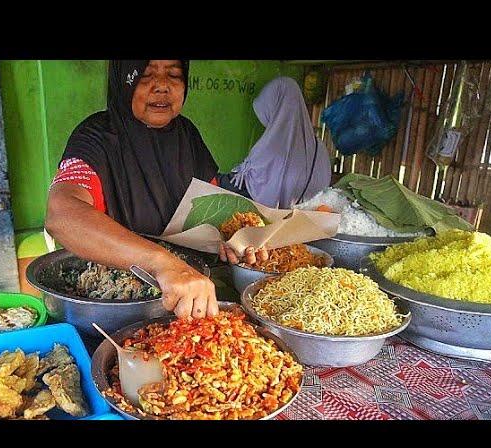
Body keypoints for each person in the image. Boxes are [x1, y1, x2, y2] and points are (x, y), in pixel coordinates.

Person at [46, 60, 265, 320]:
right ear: (123, 80)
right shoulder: (96, 136)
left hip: (191, 296)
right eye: (145, 74)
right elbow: (61, 215)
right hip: (119, 305)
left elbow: (211, 207)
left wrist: (235, 239)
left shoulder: (187, 134)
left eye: (174, 75)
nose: (162, 86)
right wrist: (162, 264)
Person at [225, 77, 332, 209]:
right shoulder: (320, 149)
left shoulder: (269, 151)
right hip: (309, 223)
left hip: (272, 226)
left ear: (276, 109)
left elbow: (246, 188)